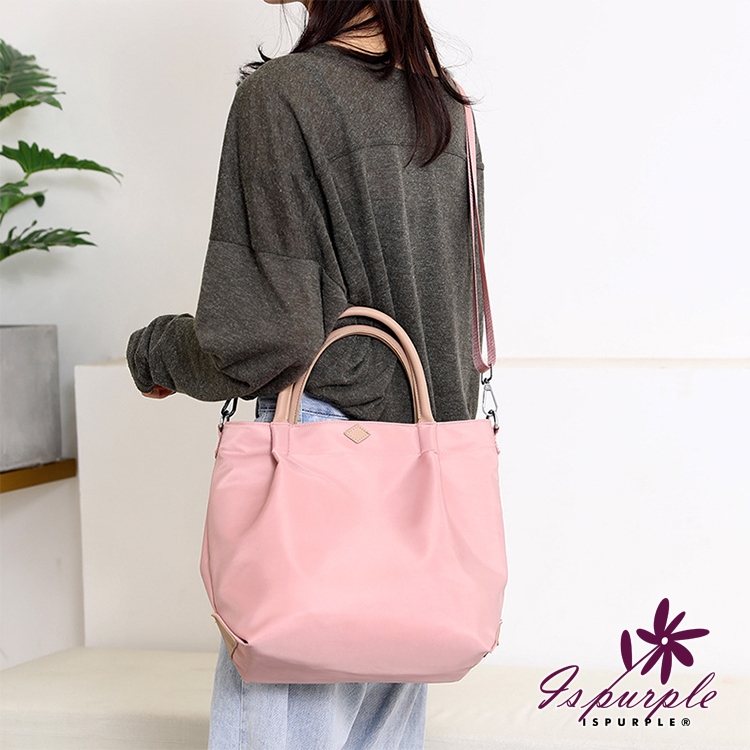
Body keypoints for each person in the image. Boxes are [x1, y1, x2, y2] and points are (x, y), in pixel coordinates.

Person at [126, 0, 485, 747]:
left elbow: (265, 337)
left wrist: (158, 352)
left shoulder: (285, 95)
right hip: (421, 483)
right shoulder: (444, 106)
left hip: (320, 468)